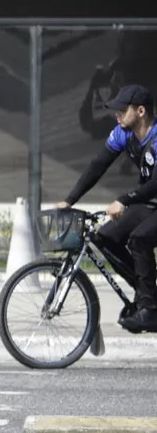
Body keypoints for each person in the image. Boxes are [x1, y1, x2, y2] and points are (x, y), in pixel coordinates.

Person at [58, 84, 157, 330]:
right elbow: (97, 165)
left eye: (123, 110)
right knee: (105, 236)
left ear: (141, 111)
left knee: (139, 238)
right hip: (149, 203)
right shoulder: (123, 134)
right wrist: (70, 199)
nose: (117, 115)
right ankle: (149, 297)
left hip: (151, 197)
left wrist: (124, 199)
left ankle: (150, 310)